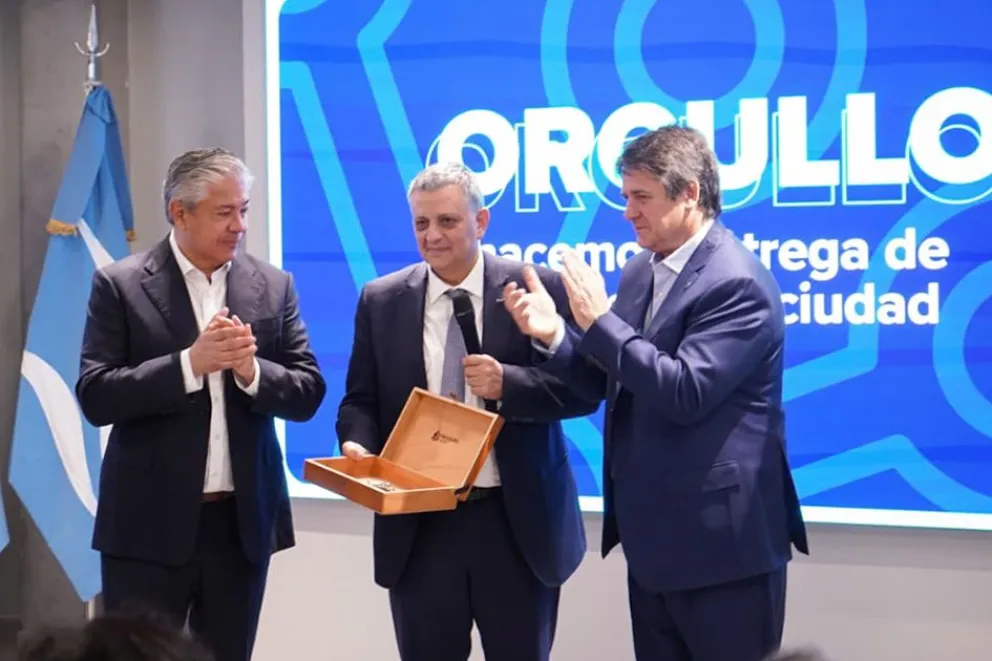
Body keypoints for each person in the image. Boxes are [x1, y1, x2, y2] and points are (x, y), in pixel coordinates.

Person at [503, 125, 809, 661]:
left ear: (689, 192)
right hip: (654, 547)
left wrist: (598, 321)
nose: (628, 212)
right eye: (626, 197)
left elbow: (685, 391)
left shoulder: (736, 282)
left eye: (641, 197)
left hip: (722, 551)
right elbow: (608, 379)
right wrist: (555, 335)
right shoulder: (640, 271)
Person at [336, 162, 598, 661]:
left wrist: (509, 384)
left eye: (447, 221)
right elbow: (360, 400)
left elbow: (585, 391)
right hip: (421, 528)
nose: (432, 236)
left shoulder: (535, 288)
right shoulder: (382, 300)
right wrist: (358, 442)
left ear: (481, 222)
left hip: (515, 526)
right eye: (421, 223)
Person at [75, 148, 326, 661]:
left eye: (244, 209)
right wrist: (189, 364)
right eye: (224, 212)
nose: (240, 225)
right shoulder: (120, 285)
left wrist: (251, 371)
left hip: (238, 528)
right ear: (180, 213)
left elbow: (308, 392)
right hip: (146, 529)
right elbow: (96, 394)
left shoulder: (273, 286)